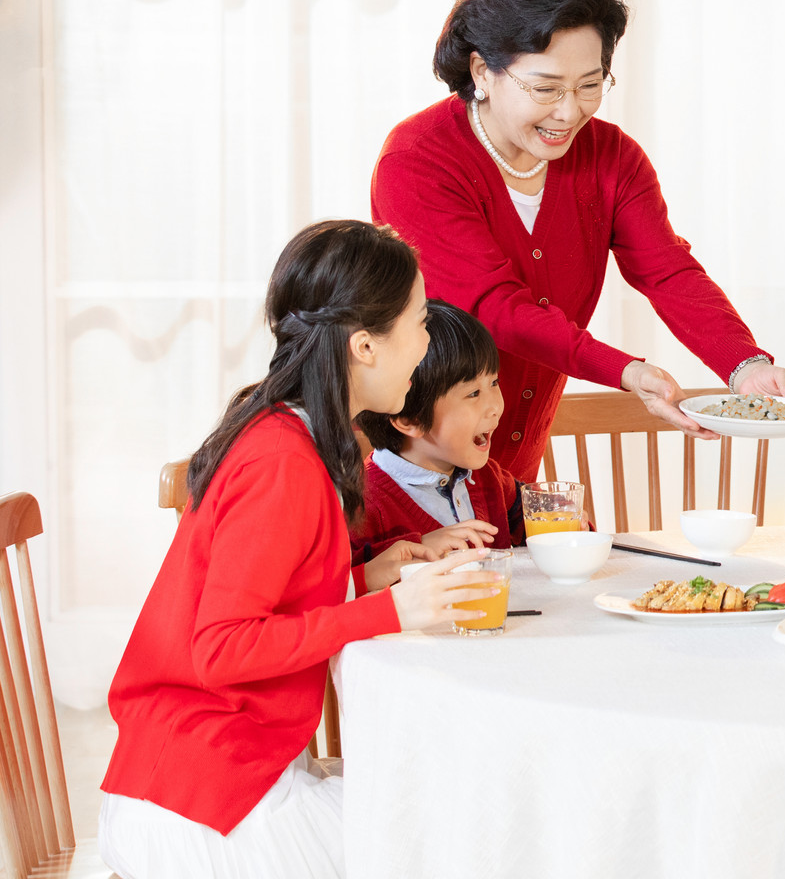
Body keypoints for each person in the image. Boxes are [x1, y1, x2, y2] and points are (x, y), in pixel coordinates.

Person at [98, 220, 502, 878]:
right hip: (202, 801)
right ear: (366, 346)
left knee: (448, 820)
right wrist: (392, 612)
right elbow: (224, 647)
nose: (427, 343)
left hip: (209, 776)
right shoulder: (282, 461)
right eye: (422, 322)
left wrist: (367, 577)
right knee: (461, 835)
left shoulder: (289, 433)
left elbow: (271, 597)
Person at [372, 0, 785, 483]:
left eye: (589, 84)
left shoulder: (612, 158)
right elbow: (495, 307)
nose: (569, 111)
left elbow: (667, 270)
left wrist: (746, 365)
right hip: (411, 459)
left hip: (512, 461)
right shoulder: (419, 160)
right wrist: (624, 370)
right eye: (546, 88)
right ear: (482, 70)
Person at [352, 300, 522, 564]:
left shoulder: (488, 478)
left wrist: (571, 528)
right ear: (411, 419)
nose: (495, 407)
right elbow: (344, 586)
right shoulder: (362, 506)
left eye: (494, 382)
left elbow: (538, 525)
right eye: (473, 393)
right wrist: (414, 550)